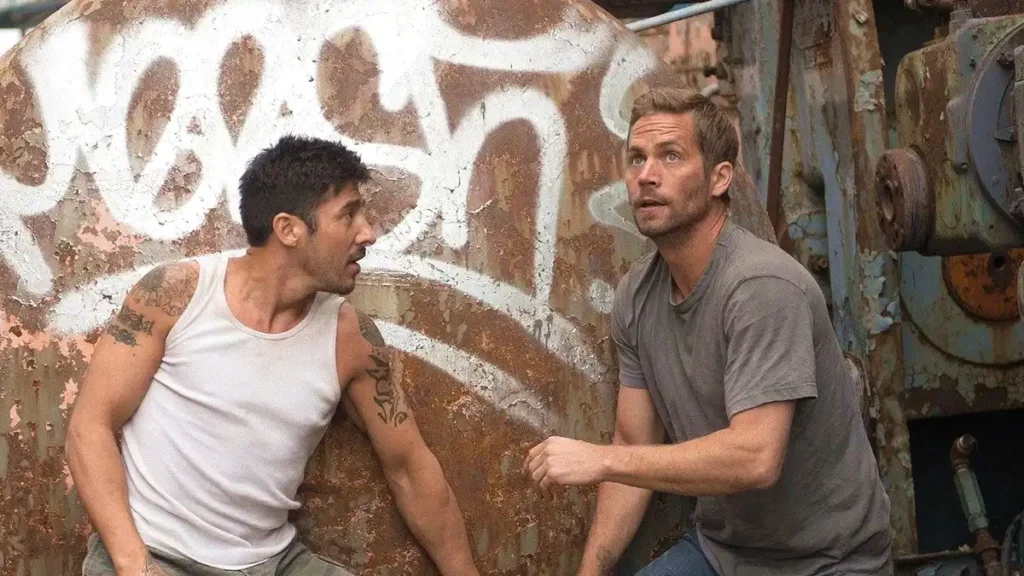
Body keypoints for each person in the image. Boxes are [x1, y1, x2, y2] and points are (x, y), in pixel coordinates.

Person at [67, 135, 480, 576]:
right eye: (348, 214)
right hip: (153, 554)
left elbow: (409, 468)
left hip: (271, 563)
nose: (368, 233)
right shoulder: (175, 295)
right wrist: (135, 565)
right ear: (288, 230)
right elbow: (89, 427)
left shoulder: (350, 338)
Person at [523, 88, 893, 576]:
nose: (646, 175)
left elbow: (756, 458)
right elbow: (632, 442)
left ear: (720, 178)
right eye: (636, 158)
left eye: (670, 156)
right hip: (724, 554)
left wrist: (600, 460)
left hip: (828, 561)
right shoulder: (637, 296)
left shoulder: (761, 287)